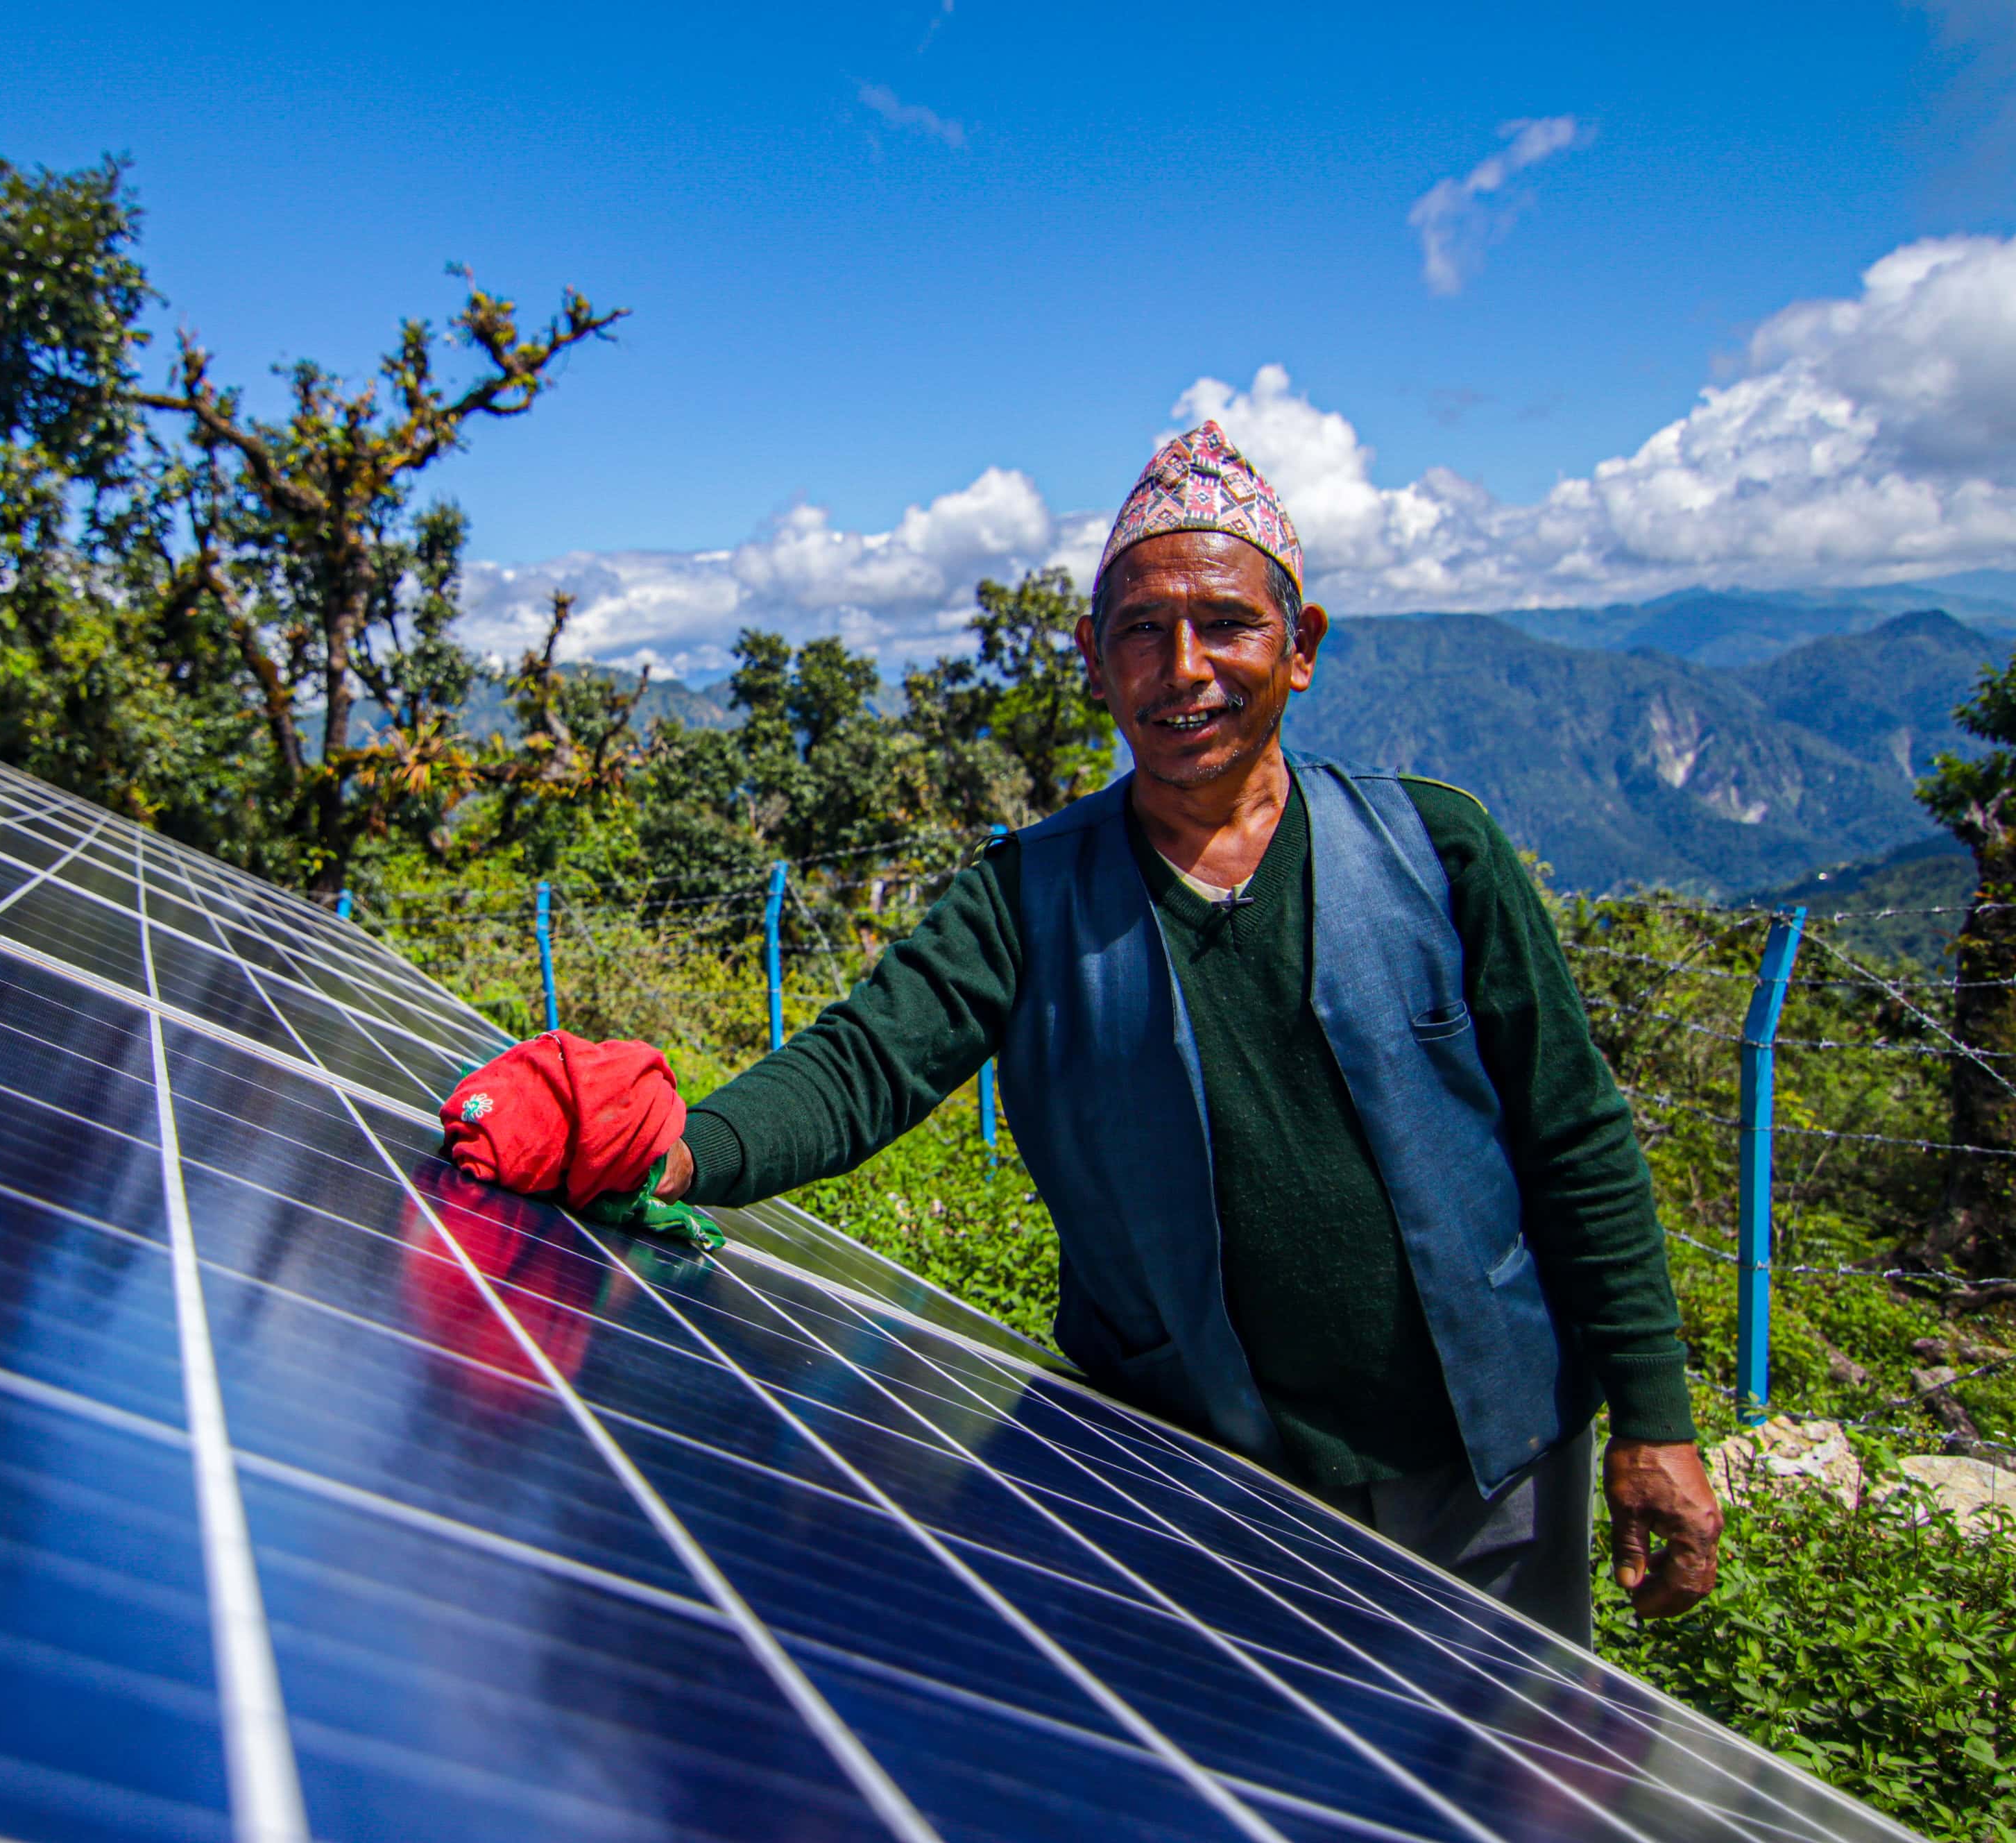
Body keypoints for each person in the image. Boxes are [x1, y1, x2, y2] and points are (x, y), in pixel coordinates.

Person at [439, 422, 1720, 1644]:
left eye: (1228, 625)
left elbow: (1574, 1136)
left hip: (1493, 1465)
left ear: (1304, 643)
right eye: (1142, 635)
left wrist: (1653, 1420)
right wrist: (671, 1150)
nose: (1185, 670)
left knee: (1493, 1788)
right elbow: (864, 1064)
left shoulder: (1438, 850)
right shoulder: (1028, 898)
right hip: (1211, 1489)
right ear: (1092, 660)